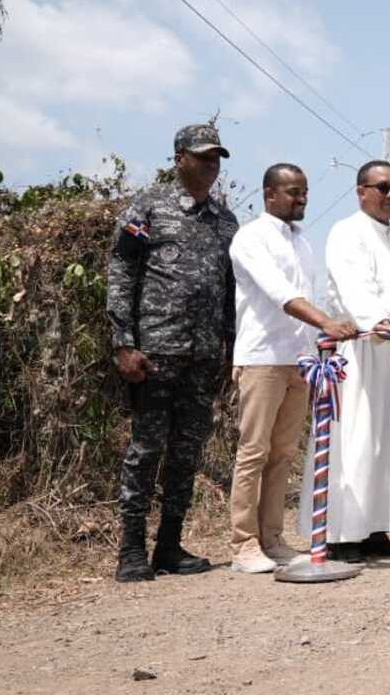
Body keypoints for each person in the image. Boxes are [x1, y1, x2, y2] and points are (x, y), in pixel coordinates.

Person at [106, 123, 239, 582]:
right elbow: (121, 273)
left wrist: (230, 347)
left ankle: (169, 545)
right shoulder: (149, 207)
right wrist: (124, 343)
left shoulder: (225, 221)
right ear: (179, 157)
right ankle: (130, 551)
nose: (211, 165)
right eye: (203, 156)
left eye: (217, 158)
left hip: (203, 356)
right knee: (145, 450)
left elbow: (230, 290)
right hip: (156, 351)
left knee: (186, 453)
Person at [226, 163, 357, 574]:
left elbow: (306, 295)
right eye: (292, 192)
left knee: (282, 453)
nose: (301, 199)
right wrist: (326, 322)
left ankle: (272, 539)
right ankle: (243, 543)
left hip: (299, 359)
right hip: (262, 358)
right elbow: (280, 294)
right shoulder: (249, 238)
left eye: (304, 192)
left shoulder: (302, 242)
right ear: (269, 195)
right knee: (254, 451)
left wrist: (332, 328)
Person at [302, 159, 390, 563]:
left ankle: (376, 527)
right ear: (361, 191)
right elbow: (354, 286)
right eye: (382, 187)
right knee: (357, 438)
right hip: (360, 351)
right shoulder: (346, 232)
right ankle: (342, 532)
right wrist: (376, 321)